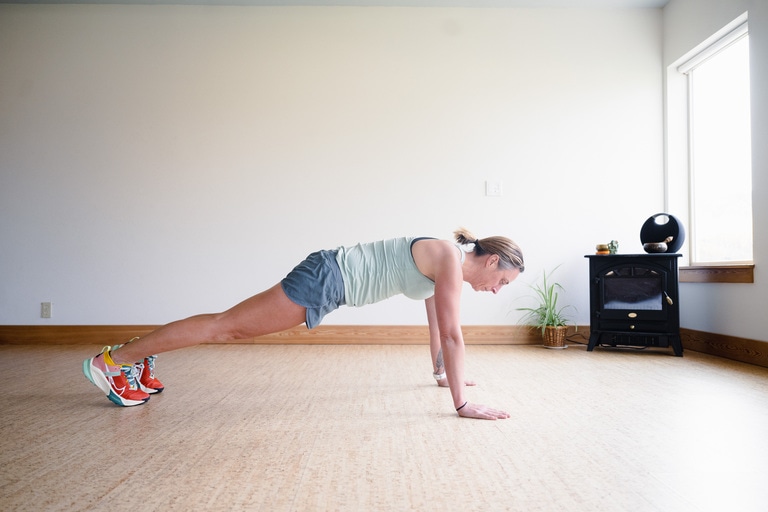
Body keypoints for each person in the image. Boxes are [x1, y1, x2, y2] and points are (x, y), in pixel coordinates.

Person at [83, 228, 524, 420]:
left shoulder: (445, 268)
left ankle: (134, 353)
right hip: (326, 278)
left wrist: (443, 374)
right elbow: (452, 333)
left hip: (329, 279)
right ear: (490, 260)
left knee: (227, 324)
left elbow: (435, 324)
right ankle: (113, 361)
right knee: (227, 327)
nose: (497, 289)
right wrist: (463, 405)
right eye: (502, 280)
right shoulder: (448, 258)